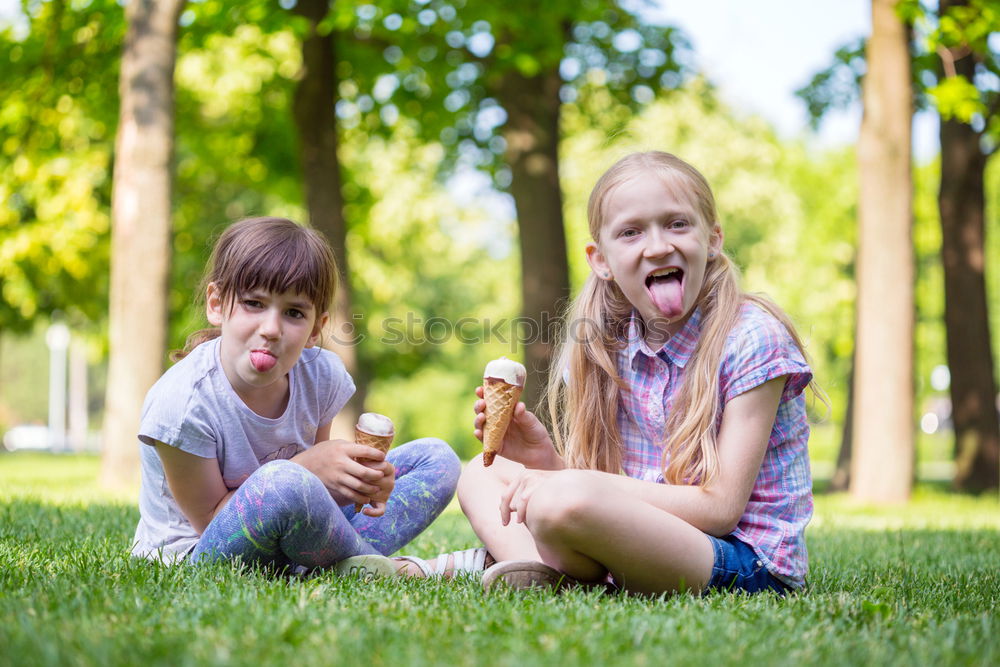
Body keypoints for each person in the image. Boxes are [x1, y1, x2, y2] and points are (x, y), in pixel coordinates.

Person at [459, 151, 824, 595]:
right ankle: (540, 570)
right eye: (631, 232)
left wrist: (563, 482)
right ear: (601, 260)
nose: (657, 246)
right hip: (644, 539)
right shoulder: (602, 344)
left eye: (677, 224)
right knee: (482, 470)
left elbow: (721, 510)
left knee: (558, 500)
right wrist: (544, 462)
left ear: (713, 238)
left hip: (744, 561)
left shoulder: (751, 336)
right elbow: (614, 489)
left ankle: (529, 564)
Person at [131, 216, 466, 577]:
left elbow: (317, 495)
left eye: (293, 313)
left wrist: (363, 485)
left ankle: (344, 565)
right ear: (216, 303)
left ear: (315, 329)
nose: (271, 329)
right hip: (201, 554)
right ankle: (395, 570)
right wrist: (305, 469)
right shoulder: (182, 402)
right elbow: (212, 523)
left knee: (437, 459)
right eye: (253, 303)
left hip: (293, 535)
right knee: (283, 482)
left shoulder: (321, 375)